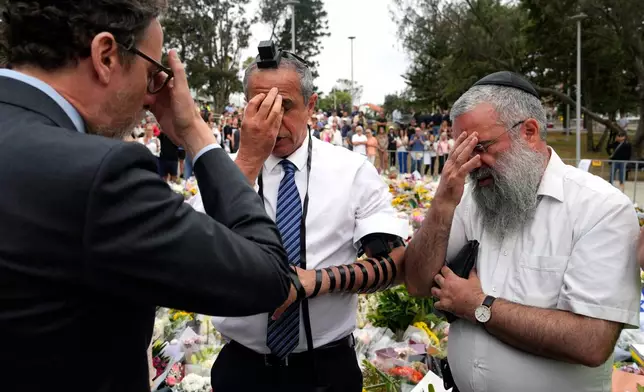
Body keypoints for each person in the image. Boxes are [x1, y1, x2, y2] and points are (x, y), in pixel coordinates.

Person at [0, 2, 301, 391]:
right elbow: (269, 276)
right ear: (106, 56)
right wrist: (194, 131)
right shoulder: (99, 174)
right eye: (153, 74)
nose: (150, 96)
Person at [404, 71, 640, 392]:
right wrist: (443, 201)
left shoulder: (599, 207)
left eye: (481, 146)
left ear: (528, 132)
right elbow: (417, 282)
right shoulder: (469, 197)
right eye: (462, 151)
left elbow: (591, 342)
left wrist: (478, 305)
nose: (472, 164)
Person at [191, 50, 408, 392]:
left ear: (311, 106)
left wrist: (315, 281)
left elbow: (395, 264)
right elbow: (189, 257)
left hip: (327, 369)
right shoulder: (222, 173)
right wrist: (246, 163)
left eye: (285, 105)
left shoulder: (352, 172)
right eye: (260, 106)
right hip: (242, 369)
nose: (273, 119)